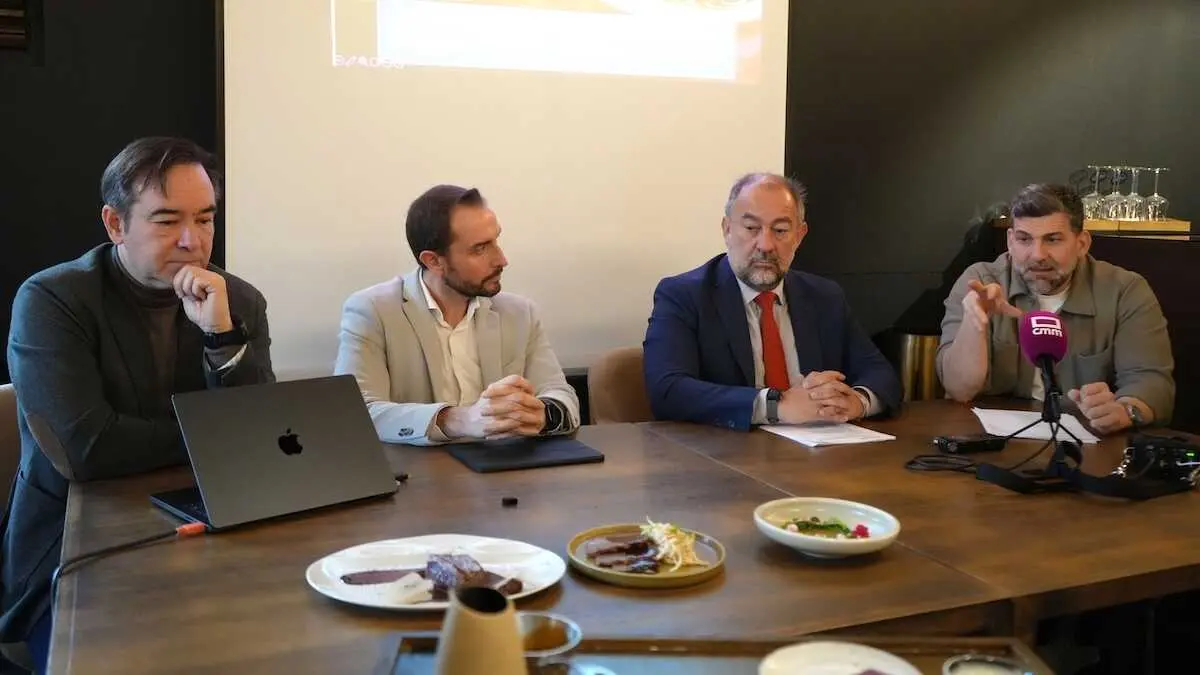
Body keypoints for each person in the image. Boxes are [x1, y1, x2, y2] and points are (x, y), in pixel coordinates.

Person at [0, 137, 275, 672]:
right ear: (115, 224)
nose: (192, 241)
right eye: (167, 221)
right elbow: (86, 449)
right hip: (75, 552)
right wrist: (218, 436)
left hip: (210, 534)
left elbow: (261, 441)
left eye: (205, 219)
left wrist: (220, 336)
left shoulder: (237, 300)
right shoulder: (54, 299)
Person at [643, 173, 902, 430]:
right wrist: (776, 405)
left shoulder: (824, 297)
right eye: (751, 228)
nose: (766, 244)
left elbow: (881, 374)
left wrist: (856, 401)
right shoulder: (683, 295)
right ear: (727, 229)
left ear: (799, 235)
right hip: (725, 457)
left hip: (818, 455)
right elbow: (668, 390)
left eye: (780, 230)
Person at [334, 184, 579, 445]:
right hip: (421, 477)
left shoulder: (520, 313)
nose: (501, 259)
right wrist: (456, 419)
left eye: (496, 240)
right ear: (434, 261)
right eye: (480, 248)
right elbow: (356, 413)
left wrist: (543, 414)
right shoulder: (373, 311)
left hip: (507, 474)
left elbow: (561, 394)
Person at [937, 183, 1174, 434]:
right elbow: (959, 390)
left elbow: (1152, 383)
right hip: (991, 440)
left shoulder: (1125, 290)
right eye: (1024, 239)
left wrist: (1125, 411)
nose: (1037, 254)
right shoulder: (980, 282)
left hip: (1085, 444)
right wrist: (975, 325)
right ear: (1010, 241)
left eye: (1052, 239)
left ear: (1082, 243)